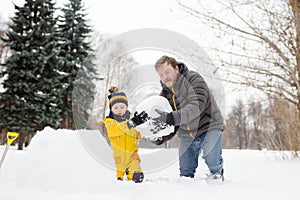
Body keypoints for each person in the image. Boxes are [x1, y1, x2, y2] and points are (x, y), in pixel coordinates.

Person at [151, 55, 225, 182]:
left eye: (167, 72)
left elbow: (196, 106)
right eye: (161, 74)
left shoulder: (194, 79)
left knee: (210, 157)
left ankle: (217, 174)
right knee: (185, 173)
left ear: (176, 69)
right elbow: (170, 122)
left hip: (209, 126)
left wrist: (171, 117)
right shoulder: (165, 94)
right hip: (186, 132)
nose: (165, 77)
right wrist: (159, 136)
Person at [102, 86, 148, 183]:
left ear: (126, 108)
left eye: (122, 107)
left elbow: (139, 134)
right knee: (116, 180)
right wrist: (131, 123)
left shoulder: (131, 121)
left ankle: (134, 177)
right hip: (117, 158)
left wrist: (146, 128)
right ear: (111, 109)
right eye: (116, 107)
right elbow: (115, 130)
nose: (119, 110)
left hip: (132, 156)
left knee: (137, 177)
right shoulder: (110, 122)